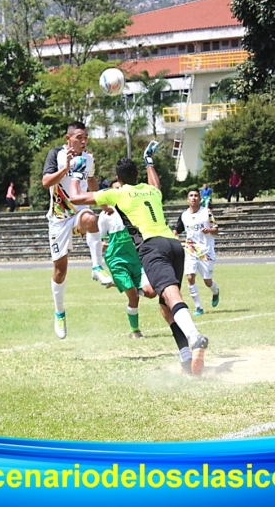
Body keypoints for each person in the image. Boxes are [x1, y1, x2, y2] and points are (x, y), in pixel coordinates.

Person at [68, 141, 210, 376]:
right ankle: (186, 357)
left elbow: (75, 198)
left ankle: (194, 336)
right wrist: (149, 162)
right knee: (166, 305)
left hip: (151, 247)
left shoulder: (119, 192)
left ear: (119, 178)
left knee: (171, 295)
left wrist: (76, 172)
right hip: (174, 245)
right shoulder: (151, 190)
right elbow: (156, 183)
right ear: (137, 175)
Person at [42, 121, 113, 340]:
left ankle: (96, 267)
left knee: (91, 218)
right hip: (59, 219)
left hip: (79, 213)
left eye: (86, 137)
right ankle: (60, 312)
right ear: (68, 138)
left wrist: (103, 204)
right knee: (60, 271)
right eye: (79, 137)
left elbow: (91, 182)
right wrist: (66, 168)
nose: (83, 141)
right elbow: (46, 182)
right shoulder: (56, 154)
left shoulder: (89, 158)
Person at [98, 180, 157, 339]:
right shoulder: (105, 214)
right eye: (115, 189)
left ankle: (121, 283)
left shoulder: (133, 209)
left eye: (121, 188)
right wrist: (102, 243)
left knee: (151, 292)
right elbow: (99, 237)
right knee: (133, 296)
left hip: (134, 257)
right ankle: (135, 331)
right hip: (116, 258)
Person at [173, 188, 220, 316]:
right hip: (191, 250)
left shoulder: (206, 213)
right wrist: (175, 238)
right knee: (190, 277)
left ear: (200, 199)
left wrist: (209, 230)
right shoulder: (184, 215)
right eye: (191, 196)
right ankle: (198, 307)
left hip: (206, 251)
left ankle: (215, 292)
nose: (193, 198)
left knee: (207, 281)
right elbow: (176, 230)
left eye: (196, 196)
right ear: (188, 199)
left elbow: (216, 229)